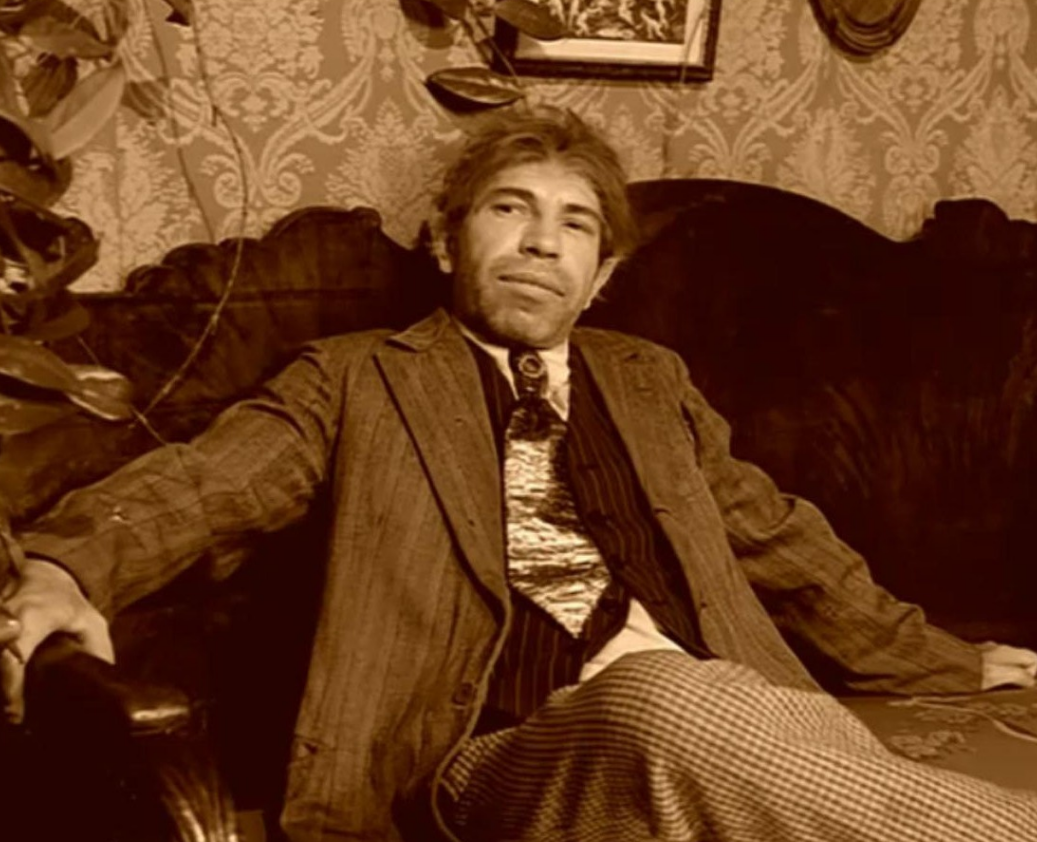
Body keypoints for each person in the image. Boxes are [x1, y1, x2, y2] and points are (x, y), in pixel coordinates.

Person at [4, 106, 1037, 842]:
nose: (542, 244)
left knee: (740, 712)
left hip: (726, 720)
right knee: (666, 701)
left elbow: (781, 541)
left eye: (575, 225)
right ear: (444, 240)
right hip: (497, 749)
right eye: (509, 209)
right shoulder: (358, 378)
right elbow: (202, 485)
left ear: (602, 276)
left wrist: (946, 659)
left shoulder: (648, 381)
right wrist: (62, 566)